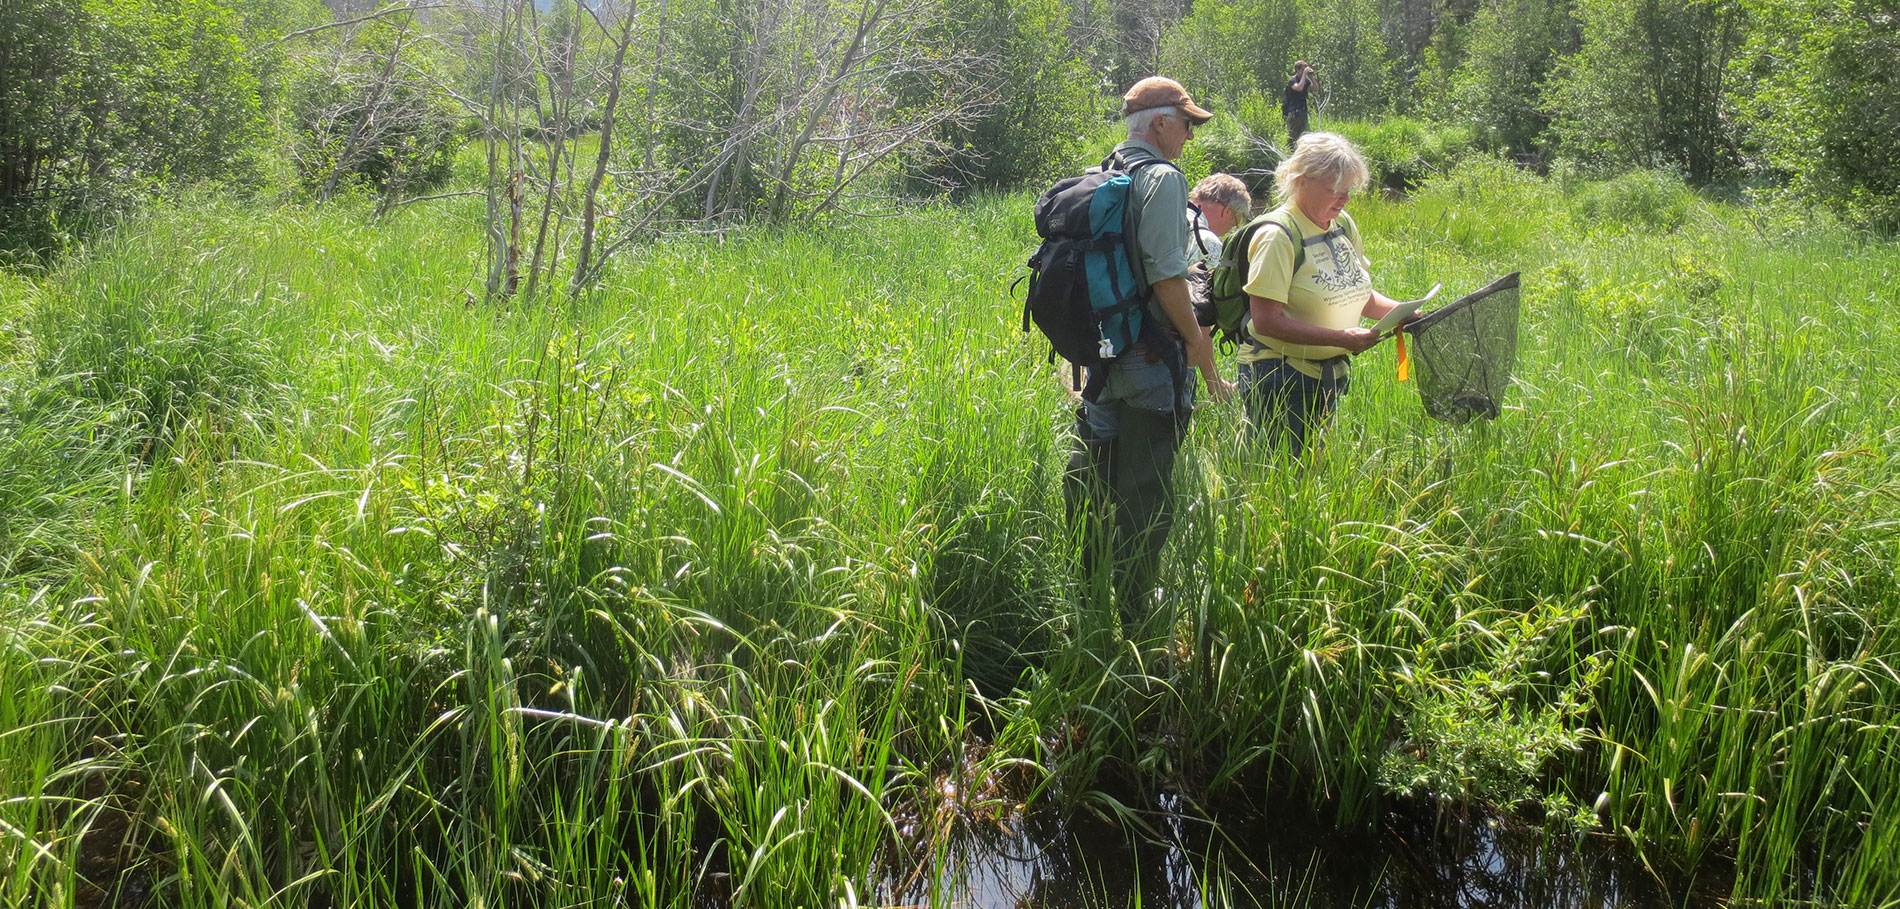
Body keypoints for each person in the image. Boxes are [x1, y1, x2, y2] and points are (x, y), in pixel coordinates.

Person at [1065, 76, 1236, 626]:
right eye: (1187, 123)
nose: (1190, 134)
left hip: (1100, 359)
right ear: (1160, 122)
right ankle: (1137, 618)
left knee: (1091, 481)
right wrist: (1196, 342)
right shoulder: (1161, 178)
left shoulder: (1105, 169)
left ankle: (1086, 601)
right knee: (1145, 496)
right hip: (1150, 361)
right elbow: (1167, 278)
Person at [1238, 131, 1409, 456]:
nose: (1343, 199)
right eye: (1334, 190)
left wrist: (1406, 312)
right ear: (1300, 181)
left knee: (1310, 474)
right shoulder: (1278, 236)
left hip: (1329, 376)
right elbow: (1266, 322)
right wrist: (1341, 338)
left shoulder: (1341, 223)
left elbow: (1363, 296)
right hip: (1279, 377)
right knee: (1275, 478)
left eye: (1348, 190)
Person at [1282, 61, 1317, 146]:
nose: (1305, 71)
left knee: (1304, 135)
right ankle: (1289, 152)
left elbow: (1316, 89)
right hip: (1294, 112)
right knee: (1293, 136)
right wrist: (1304, 75)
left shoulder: (1305, 81)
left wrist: (1311, 78)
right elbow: (1299, 88)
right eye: (1303, 69)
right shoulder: (1292, 80)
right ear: (1297, 70)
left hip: (1303, 111)